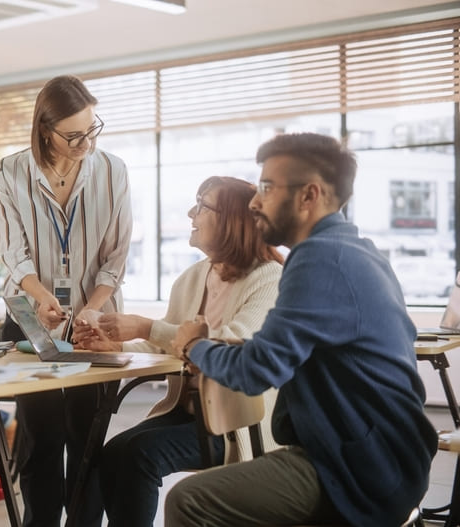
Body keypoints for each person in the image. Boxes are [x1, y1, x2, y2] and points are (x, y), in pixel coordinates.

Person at [164, 133, 437, 527]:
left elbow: (256, 371)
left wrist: (196, 345)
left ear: (309, 196)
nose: (255, 202)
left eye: (267, 188)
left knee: (189, 500)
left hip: (357, 468)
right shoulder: (358, 249)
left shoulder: (320, 260)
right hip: (388, 455)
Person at [71, 176, 283, 527]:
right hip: (191, 413)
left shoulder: (269, 278)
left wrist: (145, 327)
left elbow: (231, 345)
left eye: (202, 205)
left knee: (136, 456)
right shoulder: (191, 278)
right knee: (106, 454)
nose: (190, 212)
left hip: (240, 423)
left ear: (232, 219)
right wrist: (116, 345)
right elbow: (163, 346)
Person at [0, 74, 132, 527]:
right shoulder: (10, 172)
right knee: (40, 437)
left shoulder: (113, 170)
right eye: (73, 135)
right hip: (32, 317)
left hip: (95, 318)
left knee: (87, 437)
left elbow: (116, 253)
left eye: (92, 129)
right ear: (44, 130)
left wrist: (93, 305)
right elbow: (13, 251)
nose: (85, 142)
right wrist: (40, 294)